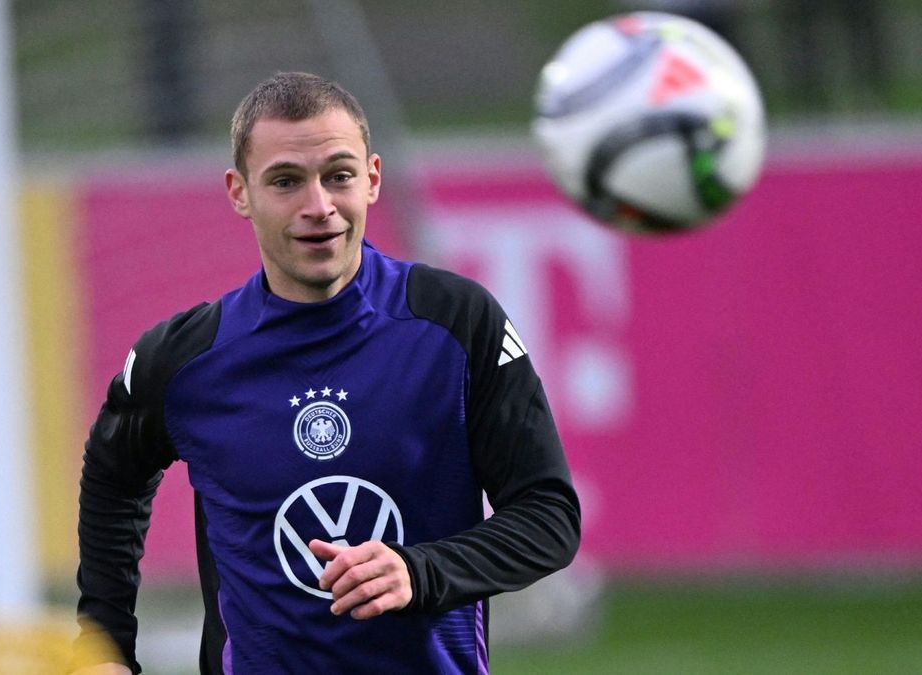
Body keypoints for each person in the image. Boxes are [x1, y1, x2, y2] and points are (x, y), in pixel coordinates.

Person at [71, 71, 581, 674]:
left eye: (338, 176)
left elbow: (549, 517)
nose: (318, 207)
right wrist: (102, 646)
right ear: (240, 193)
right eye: (286, 181)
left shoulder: (456, 324)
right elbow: (112, 478)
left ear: (371, 179)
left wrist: (421, 571)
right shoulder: (183, 360)